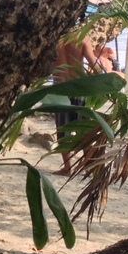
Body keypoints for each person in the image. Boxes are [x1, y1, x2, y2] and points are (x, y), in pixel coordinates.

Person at [53, 30, 99, 175]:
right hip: (79, 87)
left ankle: (68, 168)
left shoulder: (54, 38)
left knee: (63, 129)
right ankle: (89, 166)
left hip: (60, 87)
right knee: (82, 129)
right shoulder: (82, 38)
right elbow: (94, 64)